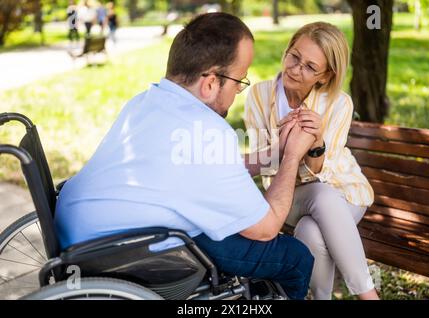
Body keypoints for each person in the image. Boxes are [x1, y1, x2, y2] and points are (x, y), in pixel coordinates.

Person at [55, 13, 315, 300]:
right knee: (294, 257)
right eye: (239, 81)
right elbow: (266, 228)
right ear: (210, 84)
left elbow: (203, 165)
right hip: (125, 254)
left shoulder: (146, 102)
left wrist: (272, 155)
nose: (239, 90)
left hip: (79, 237)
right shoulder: (207, 130)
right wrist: (291, 156)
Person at [244, 22, 380, 300]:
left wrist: (315, 145)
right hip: (288, 196)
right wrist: (285, 146)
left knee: (311, 227)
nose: (295, 69)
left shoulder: (339, 103)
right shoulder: (259, 95)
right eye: (294, 56)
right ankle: (369, 296)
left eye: (309, 67)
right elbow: (263, 164)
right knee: (320, 195)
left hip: (346, 192)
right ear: (288, 48)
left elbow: (320, 172)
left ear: (325, 75)